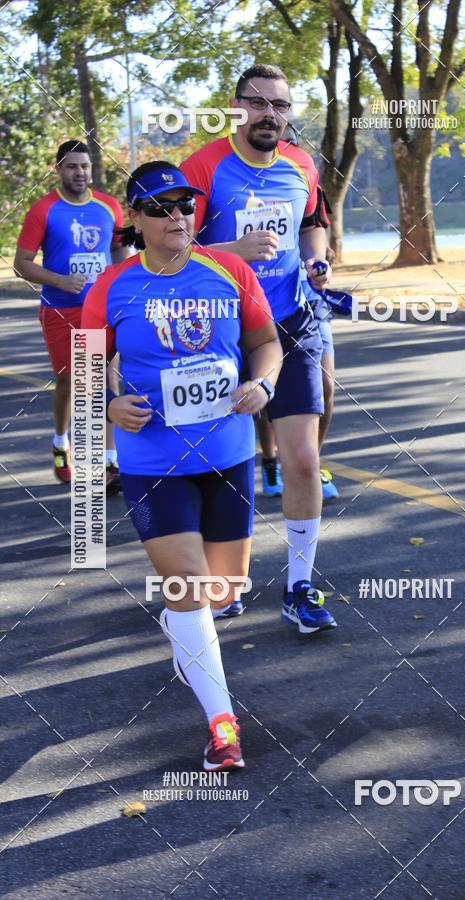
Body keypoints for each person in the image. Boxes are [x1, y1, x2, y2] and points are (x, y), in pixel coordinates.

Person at [82, 161, 282, 769]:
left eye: (186, 206)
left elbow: (266, 343)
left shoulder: (230, 269)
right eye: (162, 207)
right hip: (153, 463)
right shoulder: (111, 287)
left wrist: (265, 385)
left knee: (221, 591)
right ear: (135, 219)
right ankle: (223, 726)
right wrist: (109, 402)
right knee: (192, 590)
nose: (178, 217)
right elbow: (87, 363)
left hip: (228, 454)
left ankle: (185, 631)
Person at [180, 64, 338, 633]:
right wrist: (235, 249)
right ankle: (216, 580)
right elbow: (172, 250)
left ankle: (300, 586)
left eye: (282, 105)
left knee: (302, 459)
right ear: (237, 106)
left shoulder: (300, 163)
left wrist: (317, 259)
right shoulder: (203, 166)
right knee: (219, 465)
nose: (271, 114)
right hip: (220, 328)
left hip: (293, 319)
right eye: (260, 103)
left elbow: (313, 224)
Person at [14, 140, 126, 491]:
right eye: (72, 166)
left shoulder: (108, 207)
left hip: (102, 309)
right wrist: (60, 279)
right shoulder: (43, 210)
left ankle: (110, 463)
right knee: (70, 384)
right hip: (61, 310)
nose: (80, 172)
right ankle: (61, 442)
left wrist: (125, 289)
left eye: (85, 166)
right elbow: (21, 264)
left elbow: (120, 251)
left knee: (108, 380)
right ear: (58, 169)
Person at [257, 122, 339, 501]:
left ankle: (311, 462)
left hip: (311, 303)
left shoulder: (304, 180)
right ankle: (271, 459)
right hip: (264, 306)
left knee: (325, 387)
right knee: (261, 392)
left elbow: (317, 238)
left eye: (289, 142)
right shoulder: (246, 188)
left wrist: (319, 262)